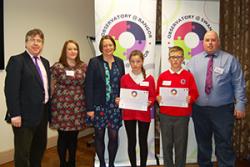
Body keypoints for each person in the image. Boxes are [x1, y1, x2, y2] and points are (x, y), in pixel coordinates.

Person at [187, 30, 247, 167]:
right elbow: (185, 83)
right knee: (203, 143)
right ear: (203, 43)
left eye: (213, 40)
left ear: (218, 42)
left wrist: (240, 104)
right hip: (199, 110)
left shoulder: (229, 59)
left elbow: (239, 83)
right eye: (207, 40)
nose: (210, 43)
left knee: (224, 143)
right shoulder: (193, 61)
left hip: (223, 111)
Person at [4, 28, 50, 167]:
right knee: (23, 153)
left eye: (39, 41)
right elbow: (11, 90)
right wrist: (15, 113)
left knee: (39, 148)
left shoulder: (46, 62)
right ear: (26, 43)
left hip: (42, 114)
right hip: (23, 116)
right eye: (32, 40)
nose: (36, 43)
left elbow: (45, 89)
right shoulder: (17, 60)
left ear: (42, 44)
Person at [85, 35, 125, 167]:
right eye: (105, 45)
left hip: (115, 107)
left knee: (113, 136)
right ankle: (102, 163)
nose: (108, 47)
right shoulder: (94, 62)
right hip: (98, 106)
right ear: (101, 48)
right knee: (99, 135)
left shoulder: (120, 62)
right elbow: (88, 86)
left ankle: (112, 163)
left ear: (114, 46)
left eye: (110, 45)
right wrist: (90, 108)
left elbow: (122, 84)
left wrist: (122, 98)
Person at [156, 46, 199, 167]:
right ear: (169, 59)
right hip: (165, 116)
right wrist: (158, 98)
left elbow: (195, 93)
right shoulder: (163, 76)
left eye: (178, 57)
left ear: (183, 59)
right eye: (173, 57)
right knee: (167, 144)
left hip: (182, 116)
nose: (175, 60)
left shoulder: (188, 76)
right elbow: (156, 93)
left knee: (181, 145)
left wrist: (191, 98)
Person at [49, 40, 87, 167]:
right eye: (69, 49)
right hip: (61, 107)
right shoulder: (57, 66)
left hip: (78, 107)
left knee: (74, 137)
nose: (73, 51)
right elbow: (51, 86)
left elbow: (87, 85)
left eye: (75, 49)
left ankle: (72, 162)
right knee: (63, 136)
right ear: (65, 51)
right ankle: (62, 163)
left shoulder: (83, 66)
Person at [116, 50, 156, 167]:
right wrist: (120, 100)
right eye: (133, 61)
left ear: (142, 62)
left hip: (144, 114)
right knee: (131, 141)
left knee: (143, 142)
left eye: (138, 61)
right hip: (129, 114)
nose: (135, 64)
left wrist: (150, 102)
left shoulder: (149, 78)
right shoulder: (124, 78)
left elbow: (153, 96)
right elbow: (122, 95)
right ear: (129, 62)